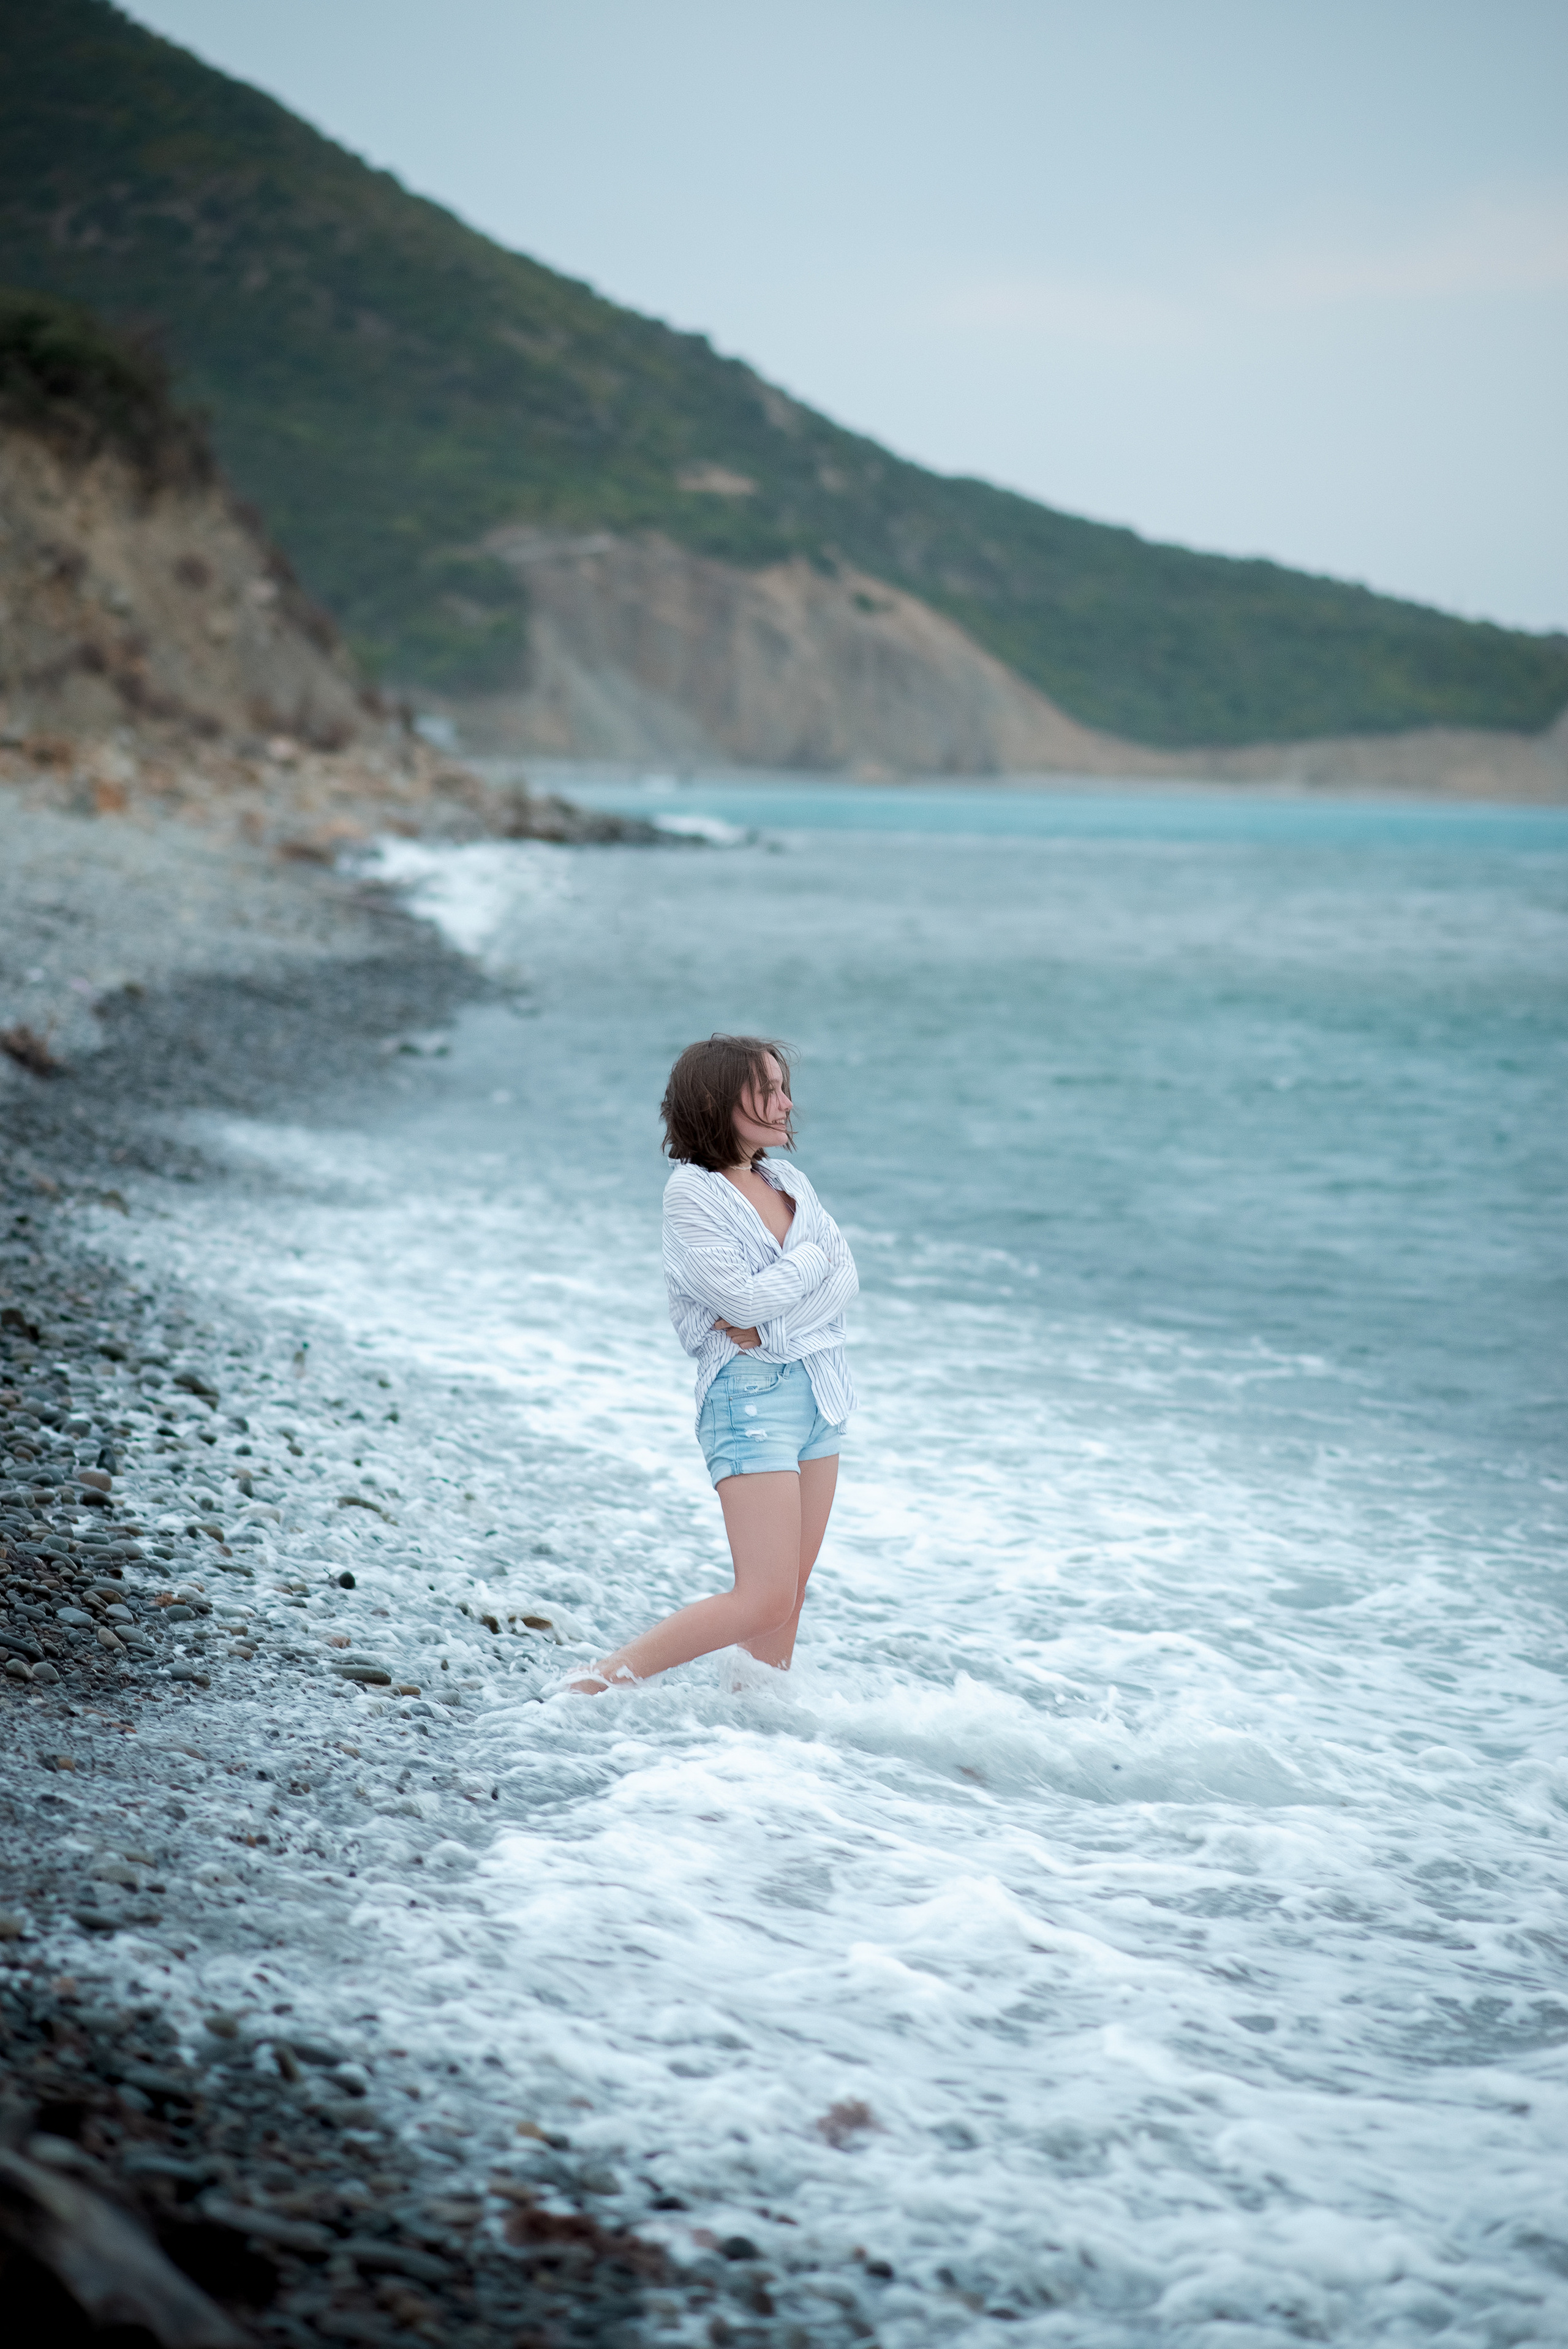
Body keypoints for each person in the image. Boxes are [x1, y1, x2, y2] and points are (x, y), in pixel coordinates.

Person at [570, 1034, 858, 1692]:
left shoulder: (788, 1181)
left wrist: (779, 1323)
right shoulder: (691, 1194)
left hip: (822, 1394)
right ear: (717, 1101)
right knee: (760, 1596)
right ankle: (590, 1686)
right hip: (748, 1397)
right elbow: (739, 1299)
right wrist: (808, 1266)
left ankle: (753, 1726)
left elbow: (846, 1283)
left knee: (789, 1595)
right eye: (769, 1091)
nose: (787, 1103)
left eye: (785, 1088)